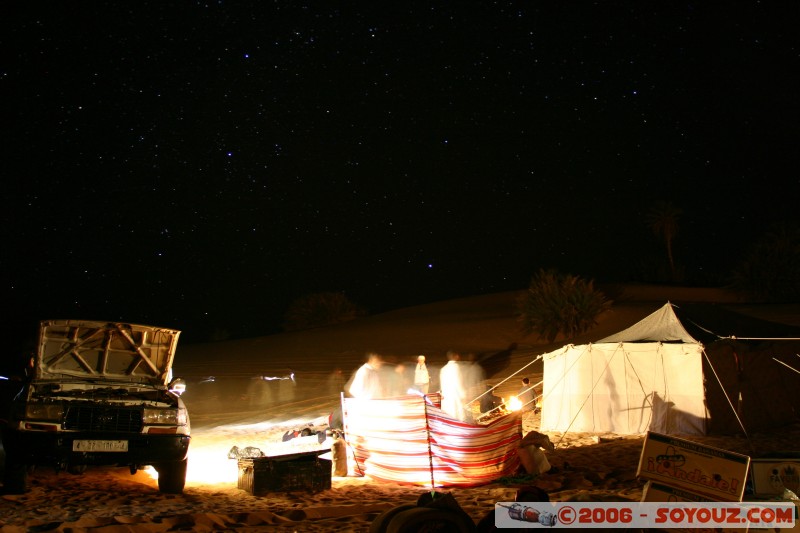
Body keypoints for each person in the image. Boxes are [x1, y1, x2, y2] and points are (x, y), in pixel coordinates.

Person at [439, 351, 470, 422]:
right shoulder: (455, 367)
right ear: (455, 356)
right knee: (457, 415)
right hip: (454, 395)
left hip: (446, 396)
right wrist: (463, 395)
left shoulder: (443, 369)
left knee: (449, 415)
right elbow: (458, 382)